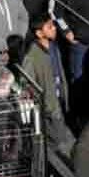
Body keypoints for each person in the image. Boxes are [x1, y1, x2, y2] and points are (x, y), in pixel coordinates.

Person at [22, 12, 74, 152]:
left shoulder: (54, 47)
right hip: (49, 109)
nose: (54, 28)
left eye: (53, 25)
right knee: (60, 143)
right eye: (50, 27)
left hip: (59, 100)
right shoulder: (32, 56)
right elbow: (26, 84)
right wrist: (44, 105)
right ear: (39, 33)